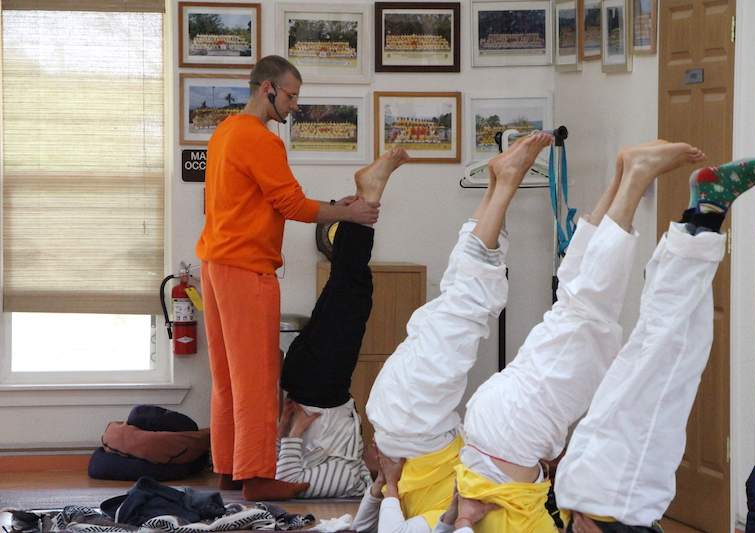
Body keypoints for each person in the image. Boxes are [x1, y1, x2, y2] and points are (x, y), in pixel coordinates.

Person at [400, 150, 755, 533]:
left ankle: (648, 184)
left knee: (611, 324)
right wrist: (459, 512)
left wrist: (461, 516)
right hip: (498, 435)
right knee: (583, 307)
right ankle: (637, 182)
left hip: (525, 445)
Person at [196, 54, 380, 501]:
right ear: (266, 90)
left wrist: (337, 208)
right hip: (246, 268)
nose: (295, 105)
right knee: (257, 378)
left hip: (214, 263)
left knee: (226, 377)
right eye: (291, 96)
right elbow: (293, 205)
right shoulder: (261, 140)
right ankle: (258, 477)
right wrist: (350, 211)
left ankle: (230, 469)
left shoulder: (223, 133)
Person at [352, 132, 556, 532]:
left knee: (468, 304)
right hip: (413, 422)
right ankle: (499, 181)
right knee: (462, 298)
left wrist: (390, 488)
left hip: (414, 424)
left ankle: (505, 183)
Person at [274, 147, 410, 498]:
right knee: (349, 287)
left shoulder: (350, 480)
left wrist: (293, 433)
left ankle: (368, 193)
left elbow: (288, 483)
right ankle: (361, 204)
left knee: (350, 289)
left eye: (388, 458)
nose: (383, 450)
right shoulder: (354, 463)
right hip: (323, 384)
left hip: (315, 388)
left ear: (382, 475)